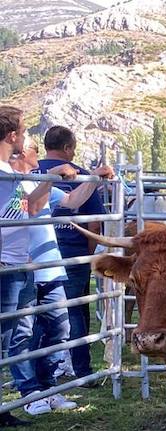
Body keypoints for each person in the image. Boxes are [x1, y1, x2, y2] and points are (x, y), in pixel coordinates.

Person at [12, 142, 106, 413]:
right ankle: (29, 394)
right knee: (24, 333)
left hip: (51, 266)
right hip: (25, 268)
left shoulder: (41, 182)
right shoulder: (11, 183)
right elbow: (31, 206)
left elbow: (70, 201)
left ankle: (49, 387)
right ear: (20, 156)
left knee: (60, 329)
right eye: (31, 149)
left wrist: (94, 179)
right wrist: (52, 175)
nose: (36, 153)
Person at [0, 105, 76, 426]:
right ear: (13, 135)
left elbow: (31, 207)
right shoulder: (5, 172)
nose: (28, 139)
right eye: (25, 130)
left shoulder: (11, 172)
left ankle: (16, 405)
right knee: (6, 337)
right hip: (5, 265)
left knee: (17, 334)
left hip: (21, 264)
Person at [38, 125, 113, 380]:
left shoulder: (30, 172)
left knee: (38, 310)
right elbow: (94, 222)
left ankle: (42, 366)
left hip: (38, 250)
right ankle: (80, 368)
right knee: (77, 308)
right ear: (68, 148)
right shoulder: (79, 174)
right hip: (73, 248)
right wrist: (89, 254)